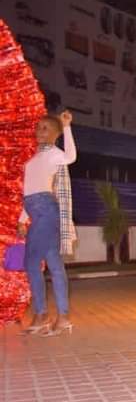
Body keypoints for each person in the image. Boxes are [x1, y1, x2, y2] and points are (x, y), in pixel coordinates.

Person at [17, 110, 76, 336]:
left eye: (45, 128)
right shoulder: (32, 160)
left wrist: (67, 126)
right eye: (38, 127)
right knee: (54, 264)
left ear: (55, 135)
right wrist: (23, 219)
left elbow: (71, 156)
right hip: (35, 209)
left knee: (31, 261)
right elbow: (29, 191)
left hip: (45, 211)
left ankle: (42, 314)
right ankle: (61, 317)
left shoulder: (55, 154)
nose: (39, 131)